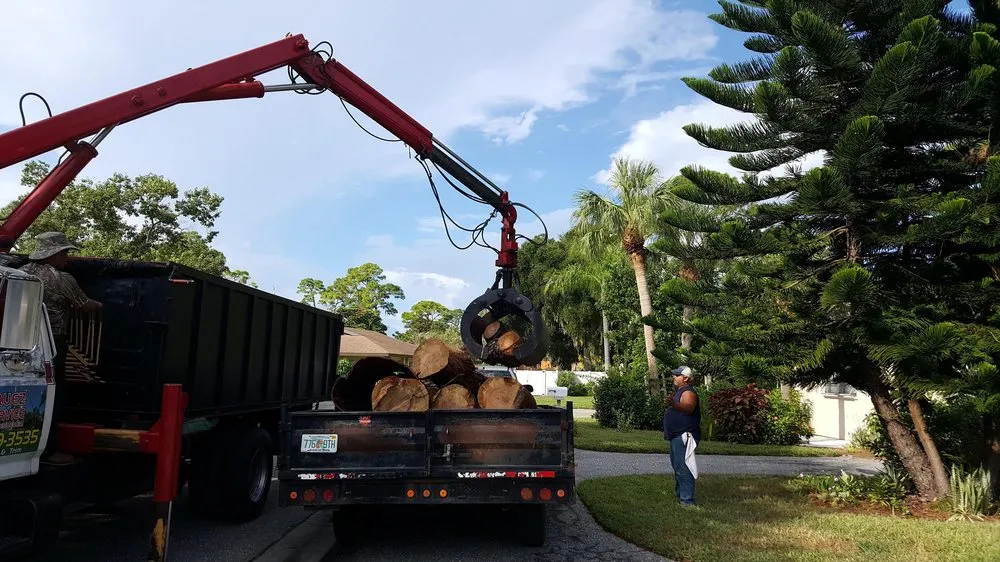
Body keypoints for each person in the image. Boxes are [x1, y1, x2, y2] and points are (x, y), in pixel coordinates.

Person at [19, 232, 102, 465]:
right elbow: (85, 306)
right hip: (50, 342)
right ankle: (49, 450)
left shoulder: (22, 272)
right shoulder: (61, 278)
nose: (66, 258)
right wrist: (101, 305)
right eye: (64, 253)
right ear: (53, 254)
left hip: (19, 343)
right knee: (53, 394)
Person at [663, 365, 701, 506]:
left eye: (677, 375)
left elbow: (688, 408)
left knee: (684, 466)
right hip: (676, 434)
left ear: (685, 378)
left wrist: (673, 403)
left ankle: (687, 500)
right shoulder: (680, 391)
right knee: (677, 465)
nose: (674, 377)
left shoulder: (688, 392)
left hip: (684, 434)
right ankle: (681, 494)